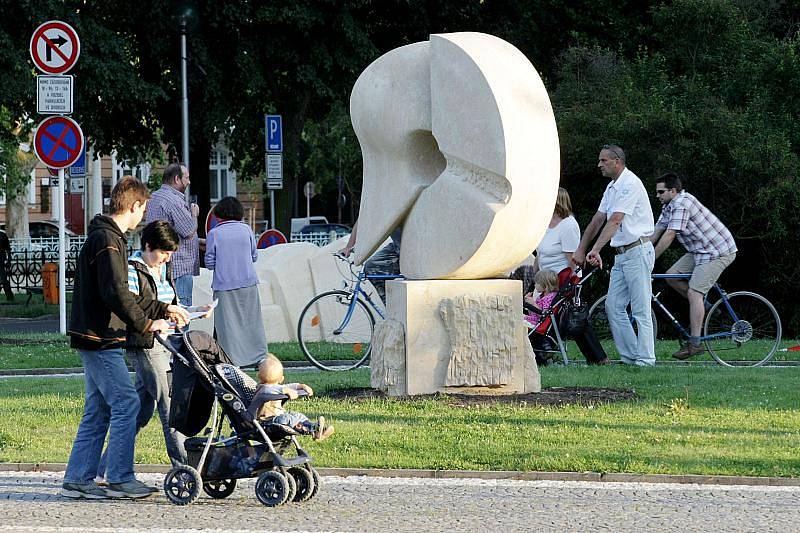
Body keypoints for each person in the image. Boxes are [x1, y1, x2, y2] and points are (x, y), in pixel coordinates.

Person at [62, 177, 189, 500]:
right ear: (135, 205)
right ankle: (119, 477)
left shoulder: (107, 237)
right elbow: (116, 293)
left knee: (99, 407)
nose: (143, 217)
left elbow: (125, 294)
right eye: (143, 209)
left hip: (95, 335)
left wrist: (164, 308)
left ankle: (78, 477)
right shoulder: (109, 241)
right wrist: (149, 324)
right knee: (127, 402)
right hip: (99, 337)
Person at [97, 221, 209, 479]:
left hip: (167, 343)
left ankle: (103, 469)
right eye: (163, 253)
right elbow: (134, 306)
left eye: (170, 255)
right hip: (146, 344)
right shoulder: (134, 269)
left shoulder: (162, 268)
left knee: (138, 411)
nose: (166, 259)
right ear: (148, 246)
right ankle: (186, 469)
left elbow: (169, 306)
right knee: (170, 405)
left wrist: (193, 312)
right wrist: (166, 311)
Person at [574, 144, 656, 366]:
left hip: (637, 250)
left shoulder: (630, 184)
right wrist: (581, 249)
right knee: (613, 306)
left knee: (640, 308)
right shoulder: (612, 187)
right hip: (621, 254)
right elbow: (598, 219)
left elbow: (616, 219)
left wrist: (596, 249)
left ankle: (646, 359)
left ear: (617, 161)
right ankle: (630, 356)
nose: (599, 164)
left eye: (604, 161)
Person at [511, 187, 609, 364]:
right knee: (545, 314)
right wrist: (534, 284)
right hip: (544, 281)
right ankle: (541, 352)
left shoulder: (568, 226)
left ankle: (597, 357)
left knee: (573, 319)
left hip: (560, 281)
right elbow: (539, 255)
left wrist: (568, 285)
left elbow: (572, 259)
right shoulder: (543, 225)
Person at [650, 172, 737, 359]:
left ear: (673, 191)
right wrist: (640, 253)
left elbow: (670, 234)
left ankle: (696, 343)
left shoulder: (681, 204)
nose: (657, 196)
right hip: (700, 250)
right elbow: (656, 232)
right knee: (671, 275)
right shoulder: (669, 206)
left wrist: (650, 260)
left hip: (718, 251)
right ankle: (704, 307)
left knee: (694, 293)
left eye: (661, 192)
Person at [204, 196, 267, 366]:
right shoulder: (246, 230)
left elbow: (209, 263)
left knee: (227, 327)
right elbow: (254, 256)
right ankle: (258, 356)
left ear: (218, 215)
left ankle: (231, 360)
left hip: (224, 286)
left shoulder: (214, 233)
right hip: (248, 282)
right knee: (252, 322)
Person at [145, 163, 200, 306]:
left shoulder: (154, 197)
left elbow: (171, 231)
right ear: (177, 179)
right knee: (181, 314)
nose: (189, 182)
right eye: (186, 178)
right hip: (179, 267)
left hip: (160, 265)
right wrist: (194, 214)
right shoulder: (174, 201)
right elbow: (188, 231)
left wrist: (198, 241)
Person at [247, 354, 334, 441]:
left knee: (298, 415)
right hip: (266, 422)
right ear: (281, 378)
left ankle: (314, 428)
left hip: (278, 417)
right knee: (288, 419)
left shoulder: (276, 387)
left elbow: (285, 386)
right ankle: (310, 430)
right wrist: (285, 391)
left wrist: (300, 386)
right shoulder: (262, 388)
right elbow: (271, 389)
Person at [341, 221, 401, 304]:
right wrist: (348, 247)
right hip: (397, 246)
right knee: (370, 268)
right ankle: (391, 306)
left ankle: (399, 307)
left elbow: (380, 233)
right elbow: (362, 218)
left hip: (412, 249)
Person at [0, 229, 13, 301]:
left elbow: (8, 249)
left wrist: (9, 260)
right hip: (2, 260)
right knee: (3, 279)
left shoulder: (2, 235)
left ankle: (10, 296)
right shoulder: (2, 235)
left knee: (3, 280)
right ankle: (10, 296)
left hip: (1, 261)